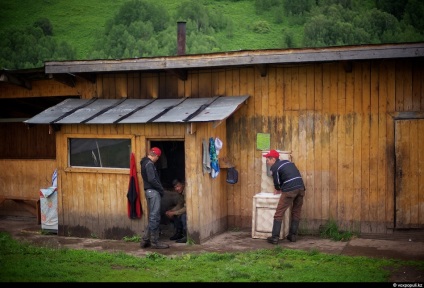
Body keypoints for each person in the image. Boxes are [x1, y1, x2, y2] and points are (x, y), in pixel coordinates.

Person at [263, 149, 306, 244]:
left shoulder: (275, 167)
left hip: (290, 190)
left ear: (273, 159)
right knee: (296, 212)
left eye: (268, 160)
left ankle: (274, 237)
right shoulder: (288, 162)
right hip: (301, 188)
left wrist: (278, 189)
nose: (267, 162)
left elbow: (277, 183)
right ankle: (293, 236)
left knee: (279, 213)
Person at [140, 147, 169, 249]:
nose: (158, 159)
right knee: (154, 217)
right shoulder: (149, 164)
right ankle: (155, 242)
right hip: (153, 192)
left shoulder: (145, 163)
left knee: (152, 216)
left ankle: (145, 240)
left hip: (149, 192)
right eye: (158, 157)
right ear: (155, 155)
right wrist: (161, 189)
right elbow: (152, 179)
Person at [165, 178, 187, 243]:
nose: (177, 189)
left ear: (183, 185)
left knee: (183, 216)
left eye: (178, 186)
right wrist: (171, 211)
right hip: (185, 209)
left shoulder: (186, 192)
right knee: (176, 215)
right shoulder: (181, 193)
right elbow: (180, 204)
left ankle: (186, 236)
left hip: (194, 211)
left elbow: (187, 208)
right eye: (175, 187)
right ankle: (179, 234)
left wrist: (174, 212)